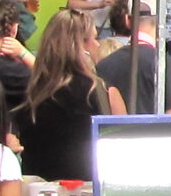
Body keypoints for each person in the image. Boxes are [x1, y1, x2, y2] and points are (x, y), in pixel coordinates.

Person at [17, 10, 123, 183]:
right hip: (88, 189)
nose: (97, 44)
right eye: (93, 38)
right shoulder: (100, 91)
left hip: (38, 190)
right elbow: (119, 148)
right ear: (80, 46)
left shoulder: (29, 89)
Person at [98, 0, 171, 114]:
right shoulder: (162, 62)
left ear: (127, 20)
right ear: (162, 23)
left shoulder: (103, 64)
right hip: (154, 126)